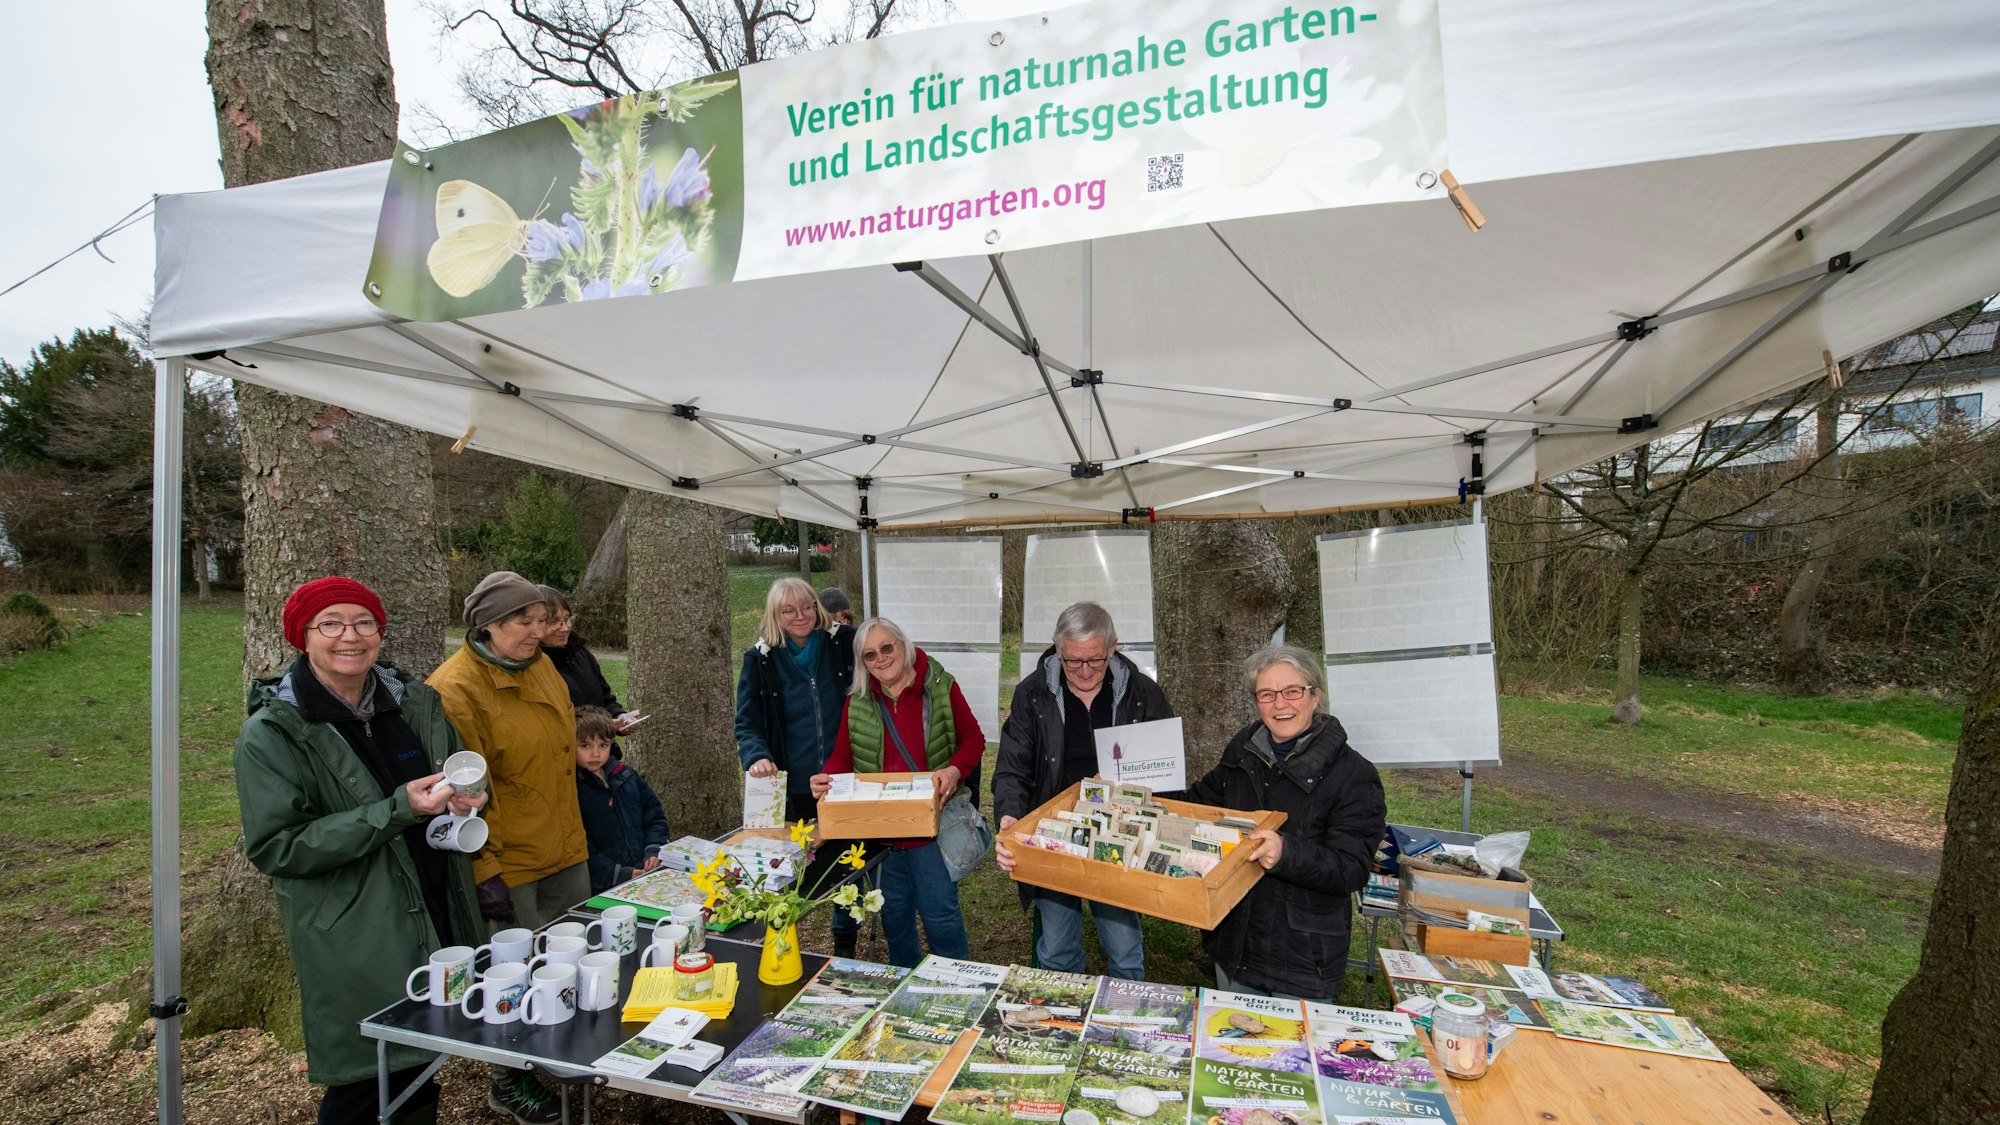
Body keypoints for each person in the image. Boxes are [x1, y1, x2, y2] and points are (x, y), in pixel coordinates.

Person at [235, 577, 487, 1125]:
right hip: (357, 928)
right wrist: (398, 809)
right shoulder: (274, 733)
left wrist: (464, 800)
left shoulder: (413, 704)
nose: (349, 636)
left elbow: (446, 777)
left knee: (421, 1061)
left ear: (379, 632)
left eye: (364, 622)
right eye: (330, 624)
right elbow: (279, 847)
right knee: (370, 1076)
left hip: (435, 905)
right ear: (302, 637)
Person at [427, 571, 584, 1124]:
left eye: (543, 620)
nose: (539, 632)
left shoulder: (539, 664)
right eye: (525, 622)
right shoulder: (455, 689)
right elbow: (464, 794)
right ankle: (508, 1078)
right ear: (489, 625)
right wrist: (484, 868)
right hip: (507, 858)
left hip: (563, 845)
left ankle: (558, 1054)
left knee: (566, 960)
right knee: (511, 971)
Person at [1182, 645, 1386, 1002]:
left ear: (1315, 696)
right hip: (1235, 945)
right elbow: (1199, 803)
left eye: (1292, 691)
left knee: (1294, 1040)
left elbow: (1351, 868)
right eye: (1266, 694)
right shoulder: (1242, 752)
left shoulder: (1354, 775)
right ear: (1256, 702)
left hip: (1303, 958)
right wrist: (1135, 799)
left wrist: (1286, 853)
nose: (1280, 704)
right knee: (1232, 1035)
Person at [993, 601, 1173, 981]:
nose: (1086, 671)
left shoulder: (1143, 695)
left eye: (1096, 660)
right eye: (1074, 662)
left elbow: (1165, 772)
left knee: (1124, 948)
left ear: (1113, 648)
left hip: (1119, 833)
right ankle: (1061, 1009)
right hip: (1055, 834)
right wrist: (1010, 816)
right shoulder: (1032, 694)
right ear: (1058, 650)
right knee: (1057, 949)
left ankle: (1124, 1010)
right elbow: (1012, 767)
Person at [810, 616, 985, 967]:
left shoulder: (939, 686)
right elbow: (844, 754)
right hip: (882, 833)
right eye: (870, 655)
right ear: (863, 663)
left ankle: (956, 984)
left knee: (940, 917)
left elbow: (973, 739)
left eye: (887, 647)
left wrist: (954, 770)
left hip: (930, 830)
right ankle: (904, 983)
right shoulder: (858, 700)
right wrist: (827, 777)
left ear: (903, 646)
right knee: (895, 919)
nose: (881, 658)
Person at [734, 577, 862, 955]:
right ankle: (781, 943)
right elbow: (747, 722)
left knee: (847, 869)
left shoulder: (843, 644)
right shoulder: (760, 659)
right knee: (793, 871)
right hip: (796, 787)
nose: (800, 615)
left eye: (807, 606)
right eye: (788, 610)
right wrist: (756, 754)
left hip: (844, 780)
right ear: (775, 615)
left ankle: (845, 945)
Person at [574, 706, 671, 894]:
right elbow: (582, 848)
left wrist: (654, 849)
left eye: (603, 745)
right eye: (585, 746)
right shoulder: (573, 790)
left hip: (646, 874)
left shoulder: (626, 776)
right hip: (604, 886)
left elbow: (654, 816)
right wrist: (620, 874)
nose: (595, 753)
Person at [537, 586, 637, 730]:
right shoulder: (535, 667)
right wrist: (602, 726)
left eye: (567, 619)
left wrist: (619, 716)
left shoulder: (580, 652)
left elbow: (605, 697)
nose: (566, 628)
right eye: (555, 622)